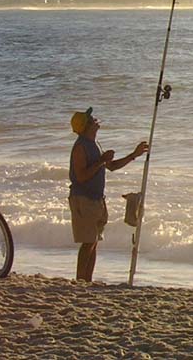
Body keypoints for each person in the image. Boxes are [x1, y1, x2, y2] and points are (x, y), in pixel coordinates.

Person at [68, 107, 148, 282]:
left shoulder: (94, 144)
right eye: (92, 119)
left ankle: (86, 280)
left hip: (96, 199)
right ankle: (80, 280)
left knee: (94, 241)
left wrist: (134, 155)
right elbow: (81, 176)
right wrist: (101, 161)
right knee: (88, 242)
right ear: (87, 126)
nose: (96, 120)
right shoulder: (80, 147)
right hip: (83, 199)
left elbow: (111, 166)